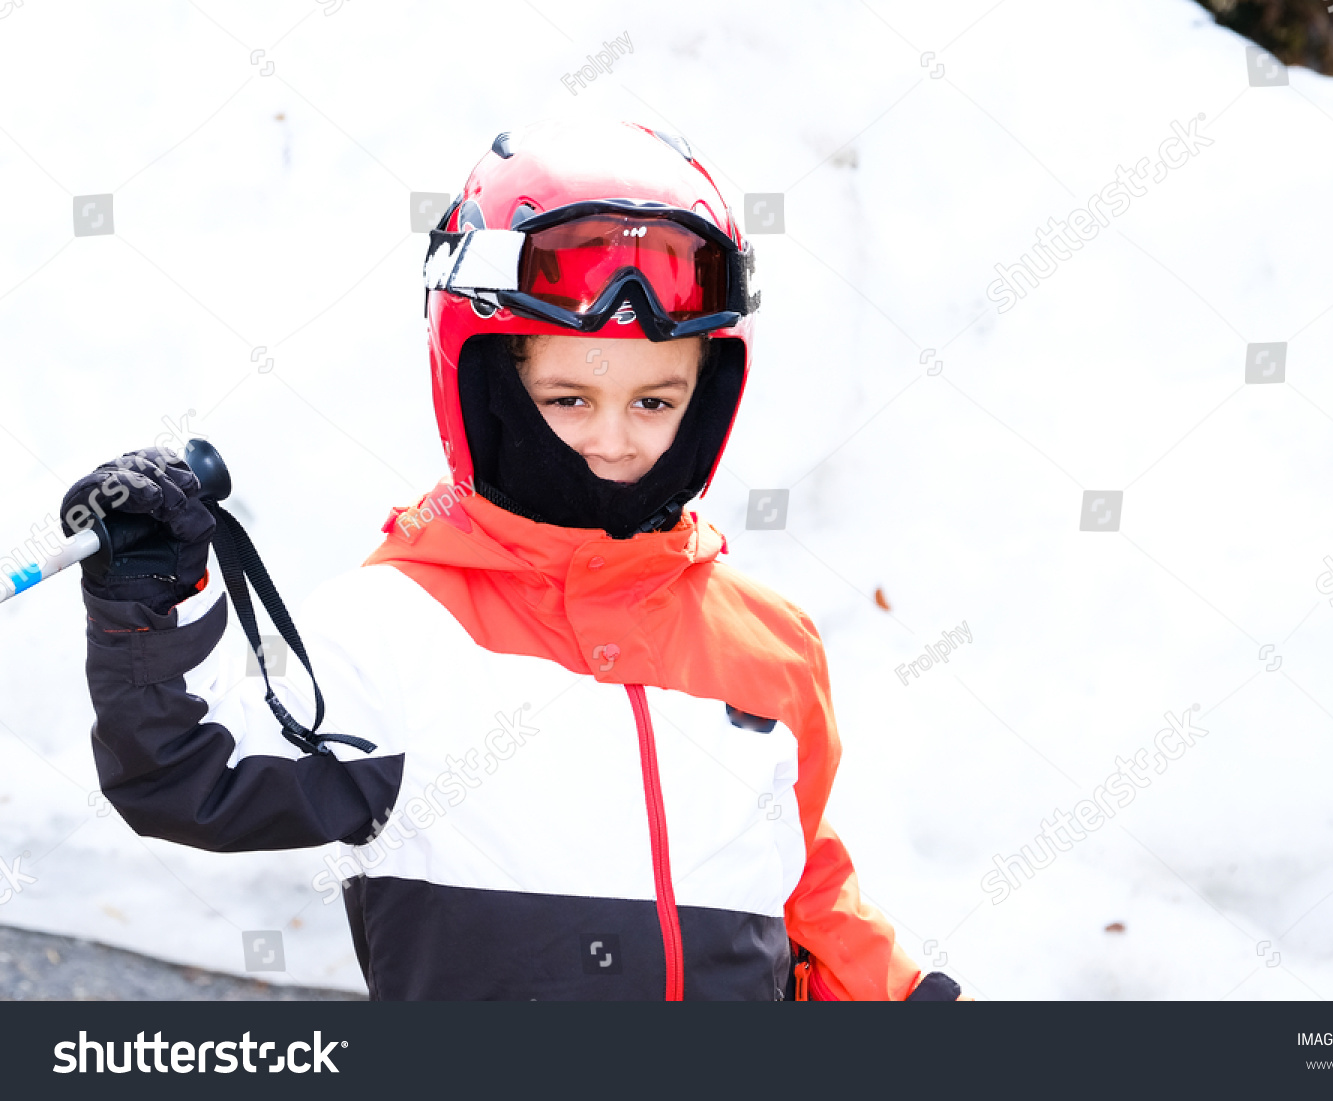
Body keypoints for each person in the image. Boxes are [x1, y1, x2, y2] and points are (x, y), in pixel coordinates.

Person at [61, 118, 961, 1001]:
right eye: (569, 396)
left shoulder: (770, 647)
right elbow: (185, 774)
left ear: (709, 393)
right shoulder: (400, 630)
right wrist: (149, 594)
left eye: (655, 400)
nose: (612, 440)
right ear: (487, 383)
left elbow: (805, 889)